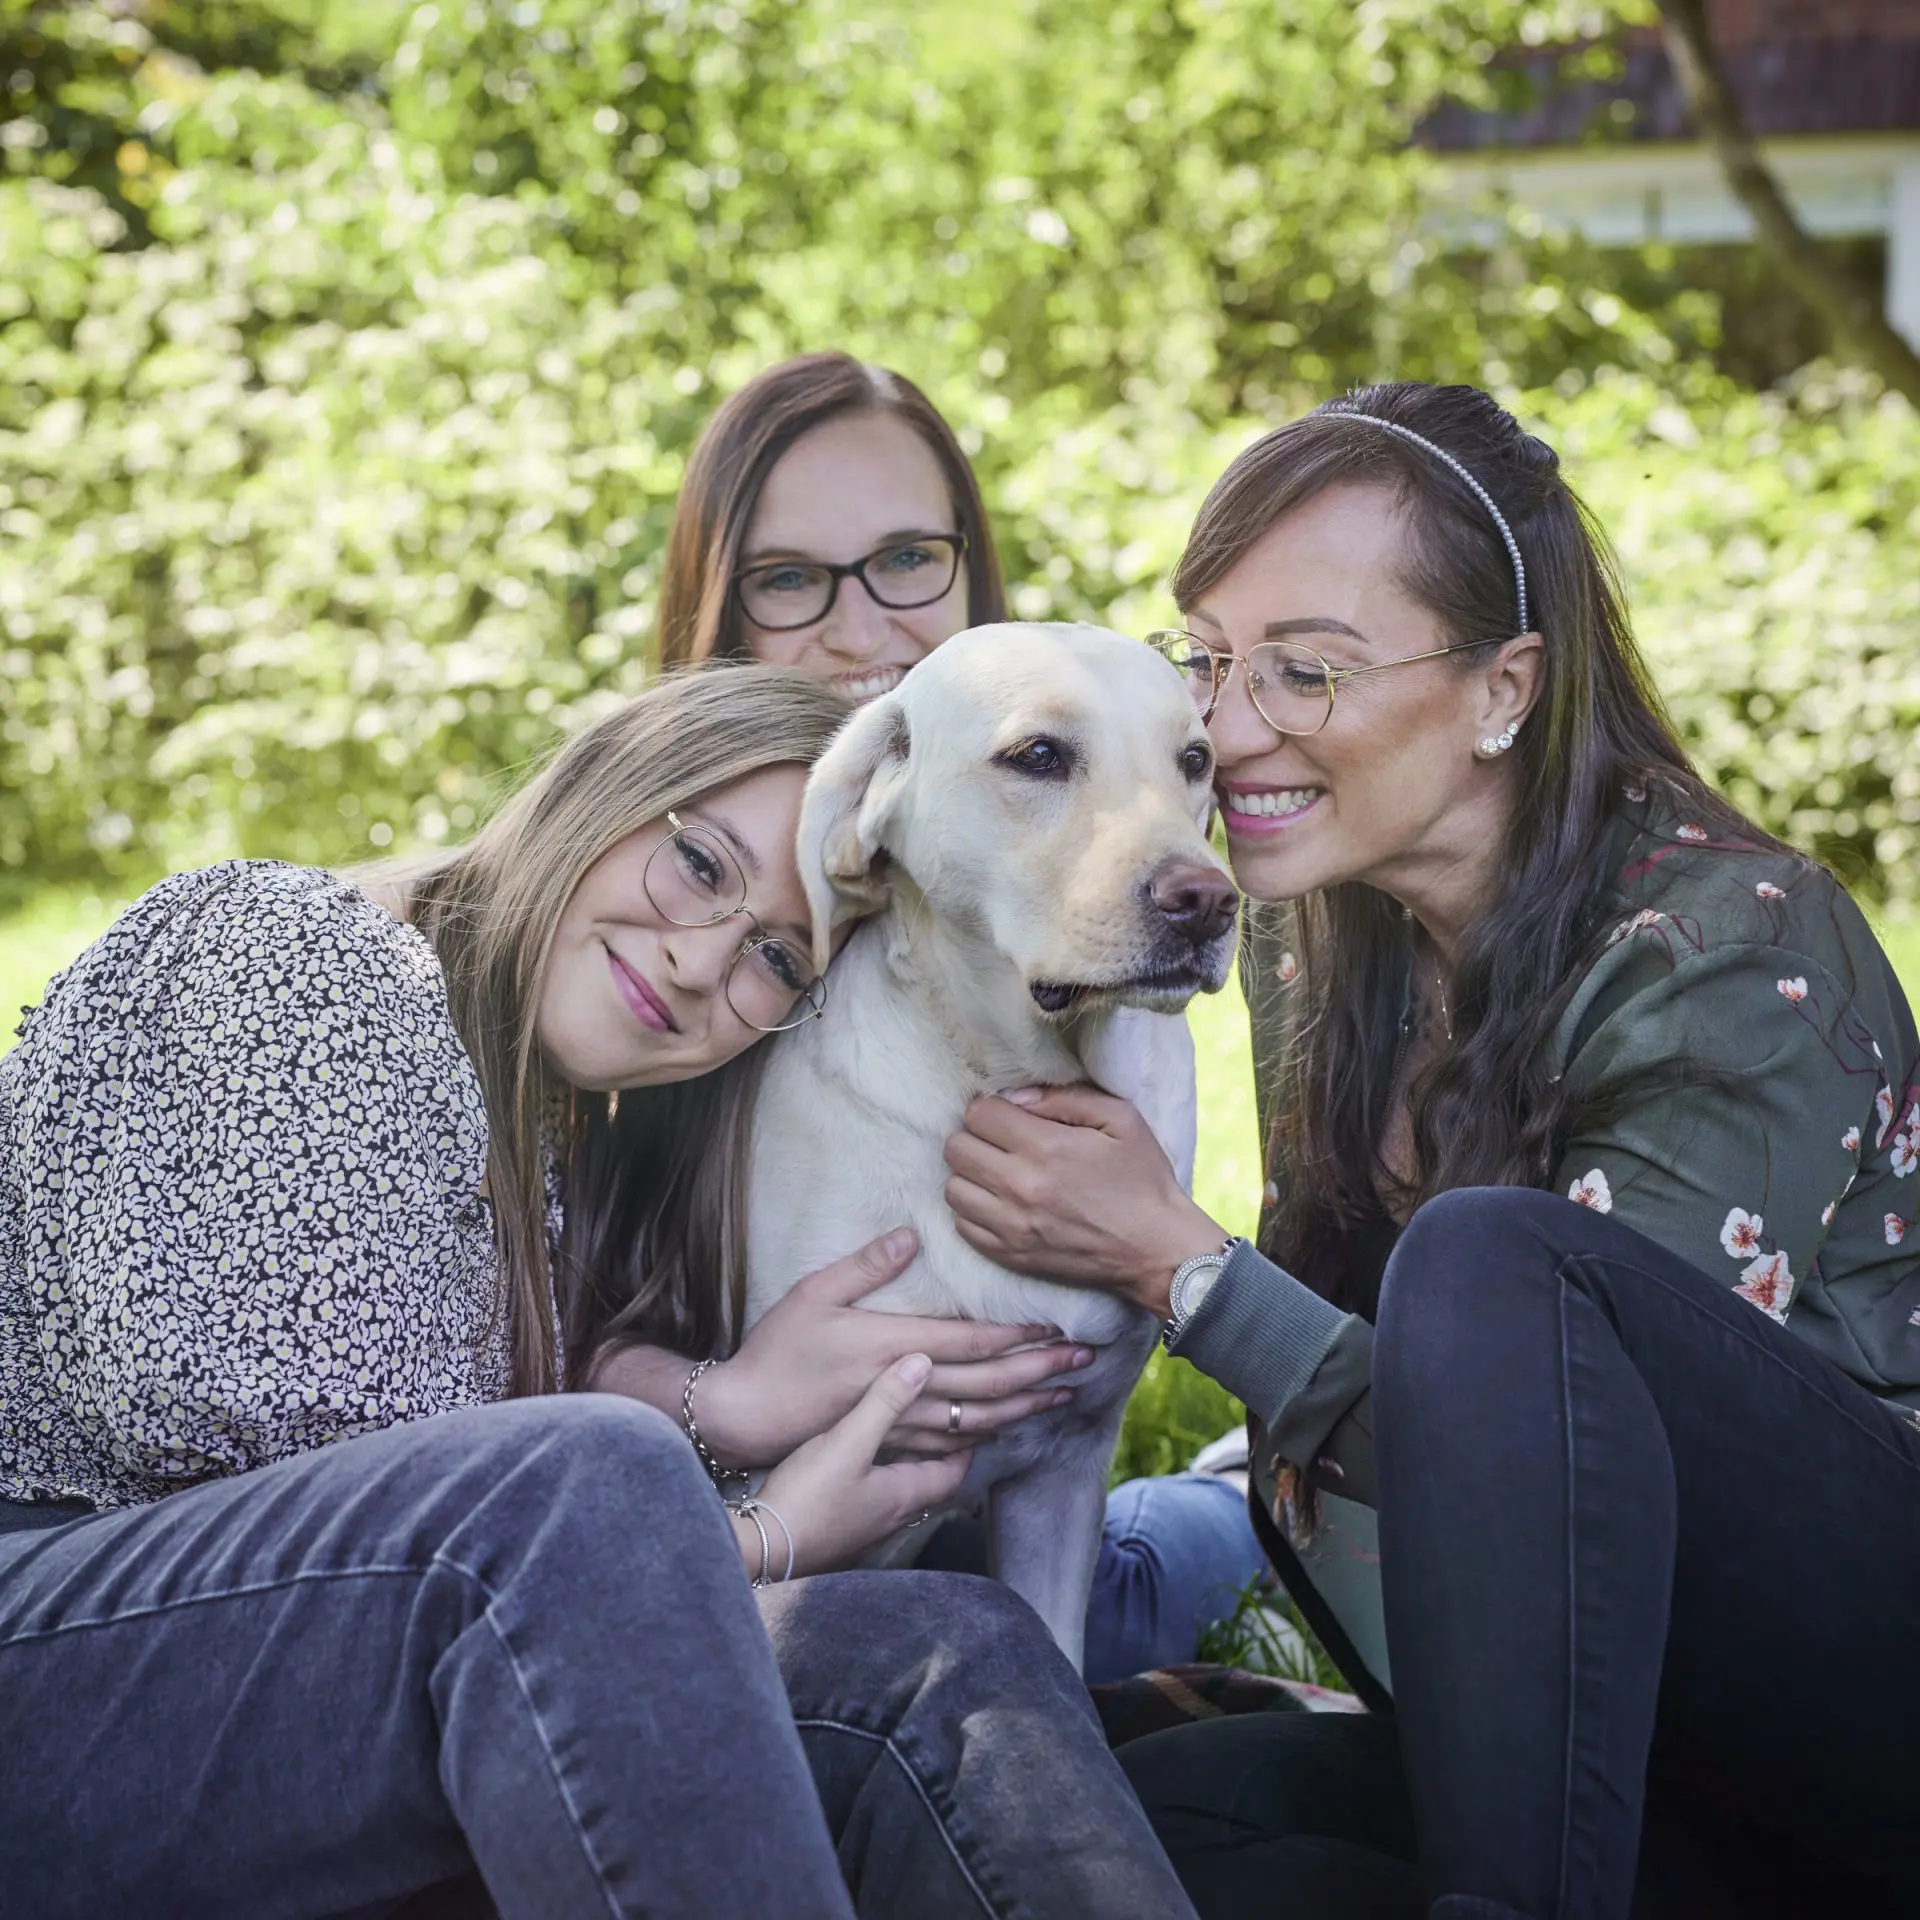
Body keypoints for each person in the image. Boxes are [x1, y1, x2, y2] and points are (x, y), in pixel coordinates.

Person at [941, 382, 1920, 1917]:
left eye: (1304, 674)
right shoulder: (1317, 942)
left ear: (1501, 687)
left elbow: (1582, 1496)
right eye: (1206, 657)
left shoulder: (1728, 949)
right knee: (1087, 1820)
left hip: (1859, 1719)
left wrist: (1180, 1270)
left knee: (1490, 1263)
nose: (1225, 724)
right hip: (1604, 1756)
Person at [0, 665, 1197, 1920]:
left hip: (277, 1695)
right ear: (612, 782)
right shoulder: (299, 959)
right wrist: (769, 1533)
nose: (697, 962)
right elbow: (398, 1522)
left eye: (775, 958)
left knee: (949, 1649)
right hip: (59, 1658)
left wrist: (716, 1403)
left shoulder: (542, 1119)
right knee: (583, 1475)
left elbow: (452, 1468)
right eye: (698, 865)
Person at [648, 349, 1266, 1683]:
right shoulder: (650, 914)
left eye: (910, 562)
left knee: (1170, 1550)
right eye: (790, 579)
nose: (866, 632)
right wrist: (719, 1406)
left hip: (1045, 1550)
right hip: (738, 1583)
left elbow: (1070, 1442)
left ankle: (1224, 1519)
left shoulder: (1059, 816)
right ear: (714, 607)